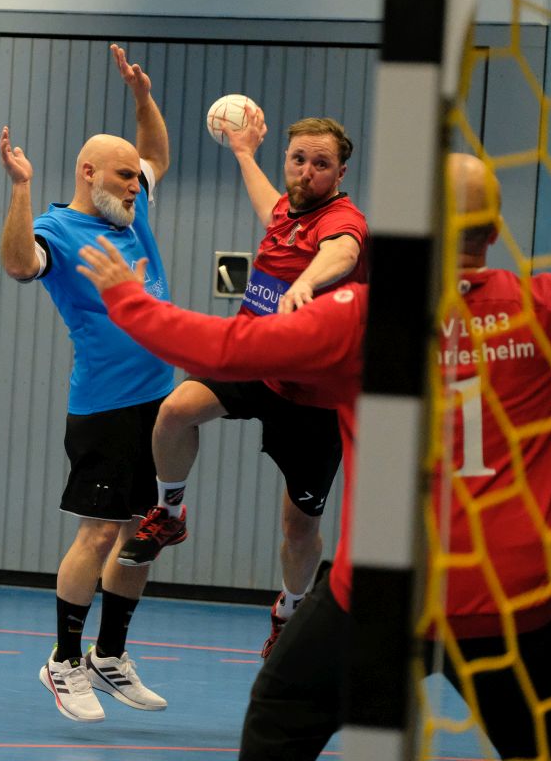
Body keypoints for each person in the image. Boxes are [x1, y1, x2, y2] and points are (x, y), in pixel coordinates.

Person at [78, 153, 551, 759]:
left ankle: (173, 509)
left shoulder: (368, 317)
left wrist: (129, 300)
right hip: (513, 597)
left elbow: (223, 348)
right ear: (494, 232)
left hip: (385, 589)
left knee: (279, 717)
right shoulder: (549, 309)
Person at [118, 108, 370, 658]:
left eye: (320, 164)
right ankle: (170, 513)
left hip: (314, 398)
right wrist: (242, 153)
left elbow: (343, 250)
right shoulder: (286, 212)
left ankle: (290, 610)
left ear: (340, 173)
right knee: (175, 411)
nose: (306, 172)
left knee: (297, 530)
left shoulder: (342, 220)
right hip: (257, 359)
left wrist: (306, 283)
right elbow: (267, 203)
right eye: (298, 159)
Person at [0, 44, 174, 723]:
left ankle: (110, 655)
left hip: (159, 403)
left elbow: (155, 152)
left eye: (136, 178)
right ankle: (64, 661)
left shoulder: (132, 212)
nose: (135, 185)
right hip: (105, 405)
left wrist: (142, 99)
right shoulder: (58, 229)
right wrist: (20, 188)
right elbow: (19, 265)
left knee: (142, 534)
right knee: (99, 534)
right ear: (88, 172)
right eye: (124, 176)